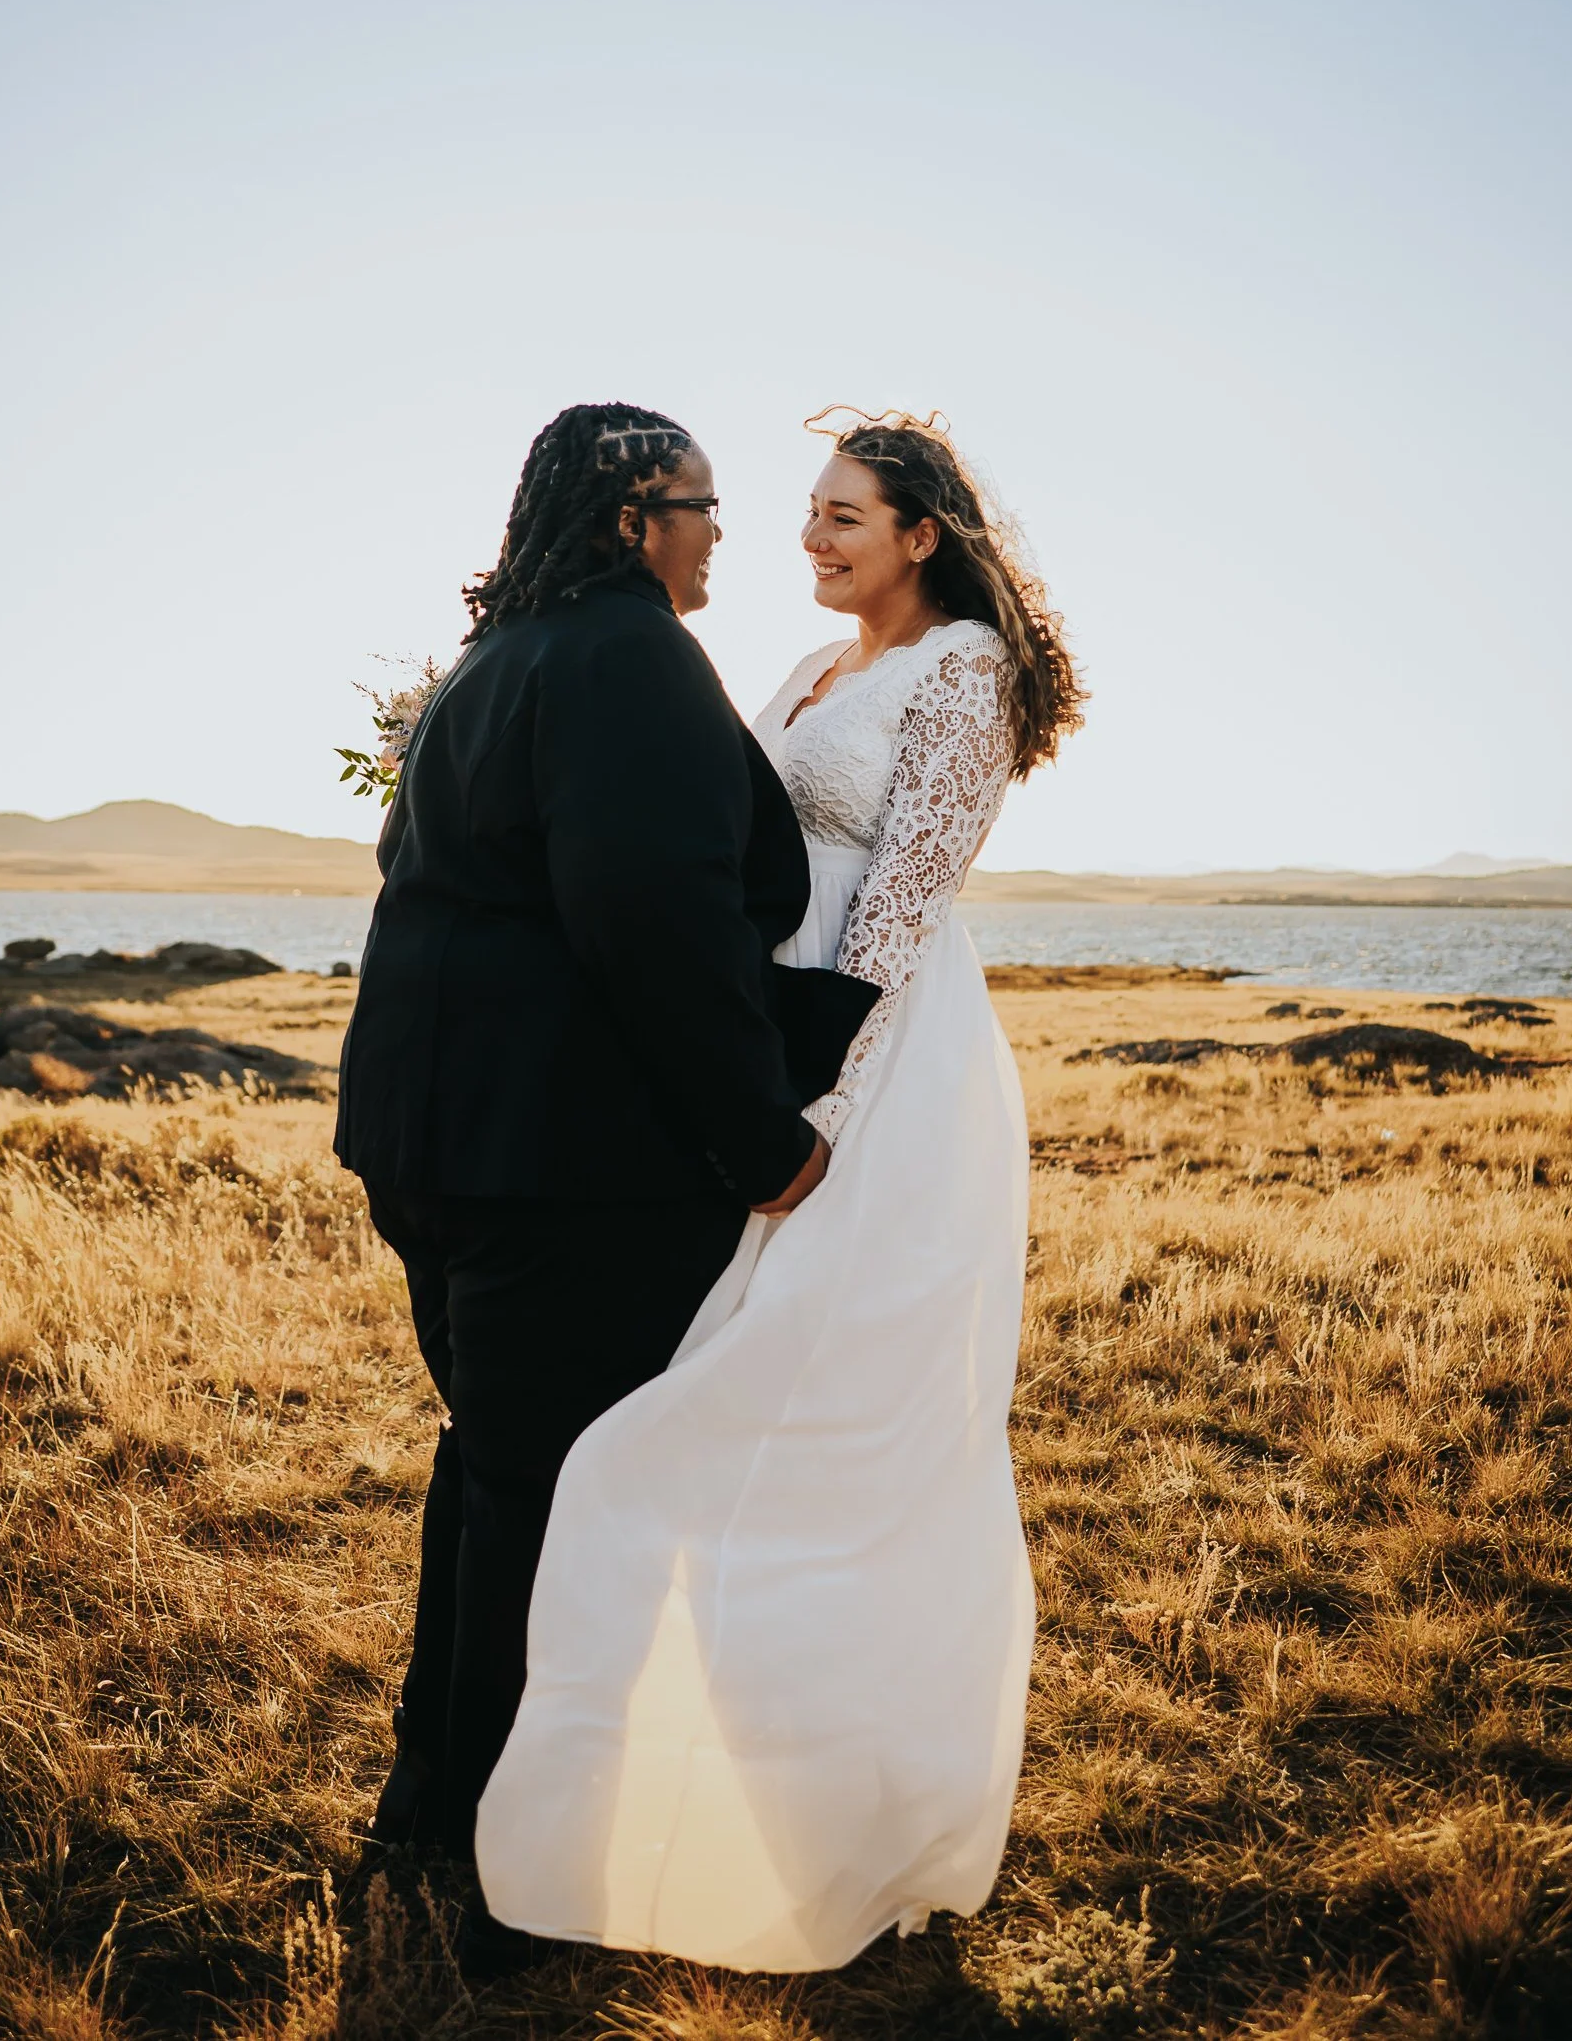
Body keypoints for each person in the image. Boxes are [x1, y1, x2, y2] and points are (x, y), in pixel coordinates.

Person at [475, 409, 1084, 1972]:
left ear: (920, 536)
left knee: (826, 1383)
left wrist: (810, 1076)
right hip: (764, 1031)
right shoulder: (815, 672)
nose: (807, 540)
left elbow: (907, 887)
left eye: (843, 518)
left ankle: (851, 1789)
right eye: (805, 513)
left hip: (869, 1050)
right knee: (717, 1367)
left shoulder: (959, 670)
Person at [334, 402, 849, 1971]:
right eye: (700, 507)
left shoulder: (498, 663)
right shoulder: (623, 659)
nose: (718, 537)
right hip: (561, 1168)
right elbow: (653, 922)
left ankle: (433, 1810)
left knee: (493, 1478)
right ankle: (516, 1882)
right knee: (557, 1510)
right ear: (635, 516)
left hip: (437, 1146)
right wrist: (764, 1138)